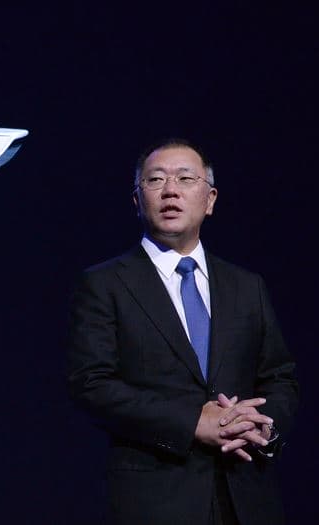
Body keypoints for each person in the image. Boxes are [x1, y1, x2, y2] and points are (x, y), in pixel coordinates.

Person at [66, 139, 299, 525]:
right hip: (155, 499)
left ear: (210, 200)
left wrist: (259, 424)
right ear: (137, 200)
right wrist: (192, 422)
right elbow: (91, 384)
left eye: (185, 179)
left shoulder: (246, 286)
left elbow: (279, 377)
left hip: (246, 495)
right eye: (156, 180)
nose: (170, 190)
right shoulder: (104, 284)